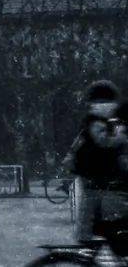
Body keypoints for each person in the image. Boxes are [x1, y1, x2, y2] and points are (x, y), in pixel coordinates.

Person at [67, 80, 123, 241]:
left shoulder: (96, 121)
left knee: (92, 221)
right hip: (97, 181)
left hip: (95, 180)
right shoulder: (96, 122)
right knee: (94, 221)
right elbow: (106, 143)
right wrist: (121, 136)